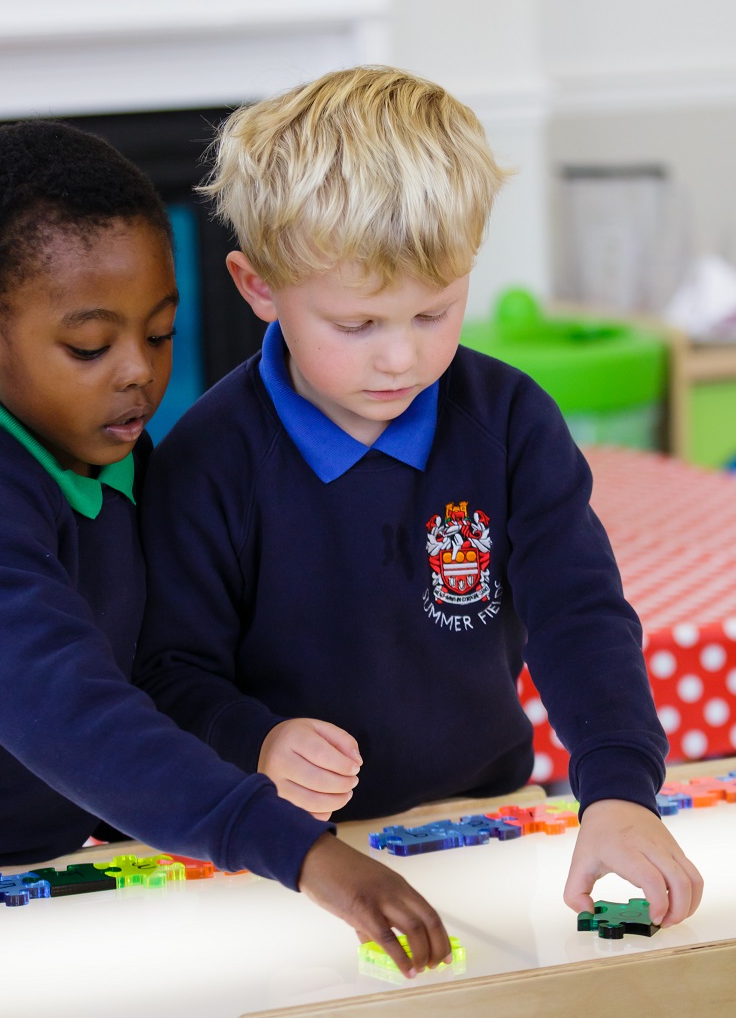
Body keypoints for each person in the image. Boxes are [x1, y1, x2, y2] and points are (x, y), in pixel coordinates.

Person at [0, 119, 452, 976]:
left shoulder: (119, 452)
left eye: (160, 334)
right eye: (90, 346)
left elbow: (158, 668)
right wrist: (305, 855)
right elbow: (80, 716)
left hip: (28, 866)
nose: (138, 372)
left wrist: (257, 738)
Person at [133, 67, 704, 928]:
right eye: (358, 326)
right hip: (285, 853)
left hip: (484, 815)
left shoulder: (510, 423)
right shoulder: (207, 460)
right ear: (258, 288)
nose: (400, 359)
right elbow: (168, 669)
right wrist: (254, 739)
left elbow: (580, 615)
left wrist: (619, 788)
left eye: (434, 313)